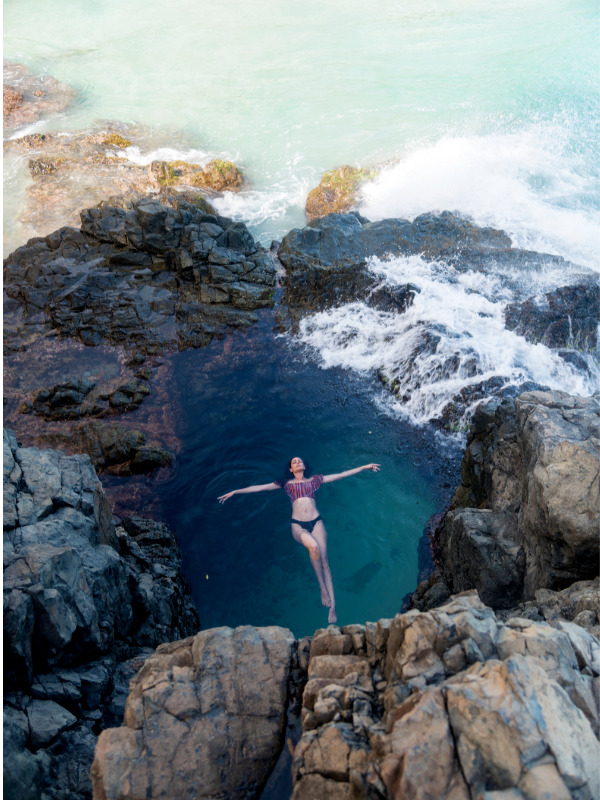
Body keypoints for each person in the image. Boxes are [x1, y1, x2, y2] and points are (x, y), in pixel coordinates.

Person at [218, 457, 381, 624]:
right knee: (313, 546)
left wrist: (364, 467)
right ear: (290, 469)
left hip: (317, 522)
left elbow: (340, 475)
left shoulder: (316, 480)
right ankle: (321, 587)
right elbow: (260, 488)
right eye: (294, 462)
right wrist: (235, 491)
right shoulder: (286, 484)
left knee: (325, 562)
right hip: (298, 525)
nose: (297, 462)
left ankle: (333, 606)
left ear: (304, 466)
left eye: (299, 461)